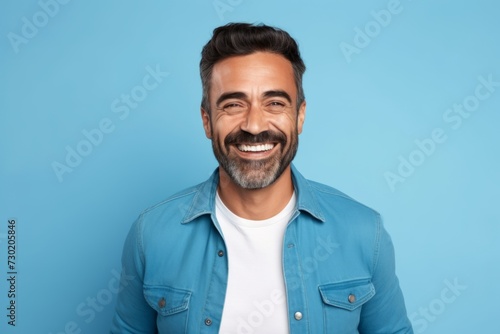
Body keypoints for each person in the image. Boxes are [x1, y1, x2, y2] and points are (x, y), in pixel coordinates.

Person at [111, 22, 413, 333]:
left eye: (275, 103)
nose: (254, 125)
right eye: (233, 104)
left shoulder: (363, 231)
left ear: (300, 116)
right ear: (206, 120)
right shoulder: (151, 235)